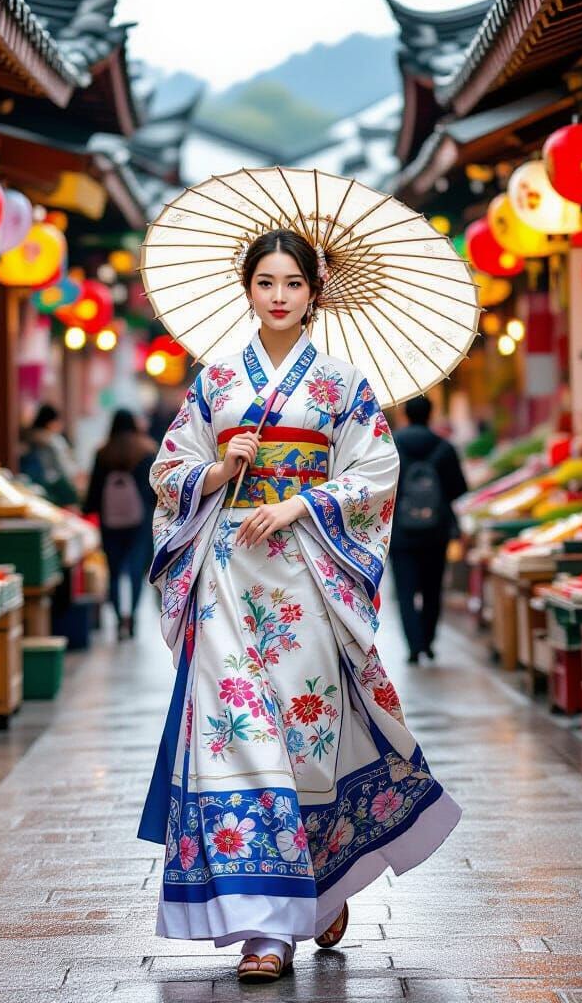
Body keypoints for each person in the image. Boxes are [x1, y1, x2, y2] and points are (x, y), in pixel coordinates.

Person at [138, 229, 461, 984]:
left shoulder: (344, 386)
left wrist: (300, 506)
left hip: (306, 579)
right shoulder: (216, 382)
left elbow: (376, 473)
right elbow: (168, 469)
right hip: (225, 579)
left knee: (303, 740)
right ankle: (269, 931)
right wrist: (220, 469)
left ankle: (319, 881)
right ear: (246, 290)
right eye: (264, 283)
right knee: (239, 738)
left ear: (316, 293)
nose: (278, 295)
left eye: (292, 283)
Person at [390, 395, 468, 664]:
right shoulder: (444, 448)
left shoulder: (392, 446)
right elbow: (459, 489)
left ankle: (413, 645)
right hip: (437, 531)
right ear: (430, 414)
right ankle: (428, 641)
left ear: (406, 415)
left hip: (400, 531)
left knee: (405, 590)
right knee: (432, 589)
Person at [84, 409, 158, 639]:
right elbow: (155, 486)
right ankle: (132, 616)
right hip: (140, 519)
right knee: (136, 569)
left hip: (110, 519)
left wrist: (89, 510)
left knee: (114, 570)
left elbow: (95, 487)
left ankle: (117, 618)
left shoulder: (104, 452)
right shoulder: (146, 450)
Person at [20, 404, 80, 507]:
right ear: (51, 423)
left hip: (30, 485)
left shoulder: (27, 438)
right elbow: (63, 467)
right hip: (53, 487)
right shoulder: (54, 441)